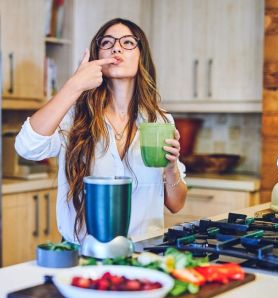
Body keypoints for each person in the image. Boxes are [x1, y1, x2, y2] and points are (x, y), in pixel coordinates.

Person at [15, 18, 187, 244]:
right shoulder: (74, 116)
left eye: (127, 42)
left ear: (141, 55)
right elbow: (27, 147)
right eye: (107, 42)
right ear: (97, 56)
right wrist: (75, 84)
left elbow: (176, 205)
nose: (116, 47)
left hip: (145, 253)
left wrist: (171, 168)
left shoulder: (160, 120)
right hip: (85, 254)